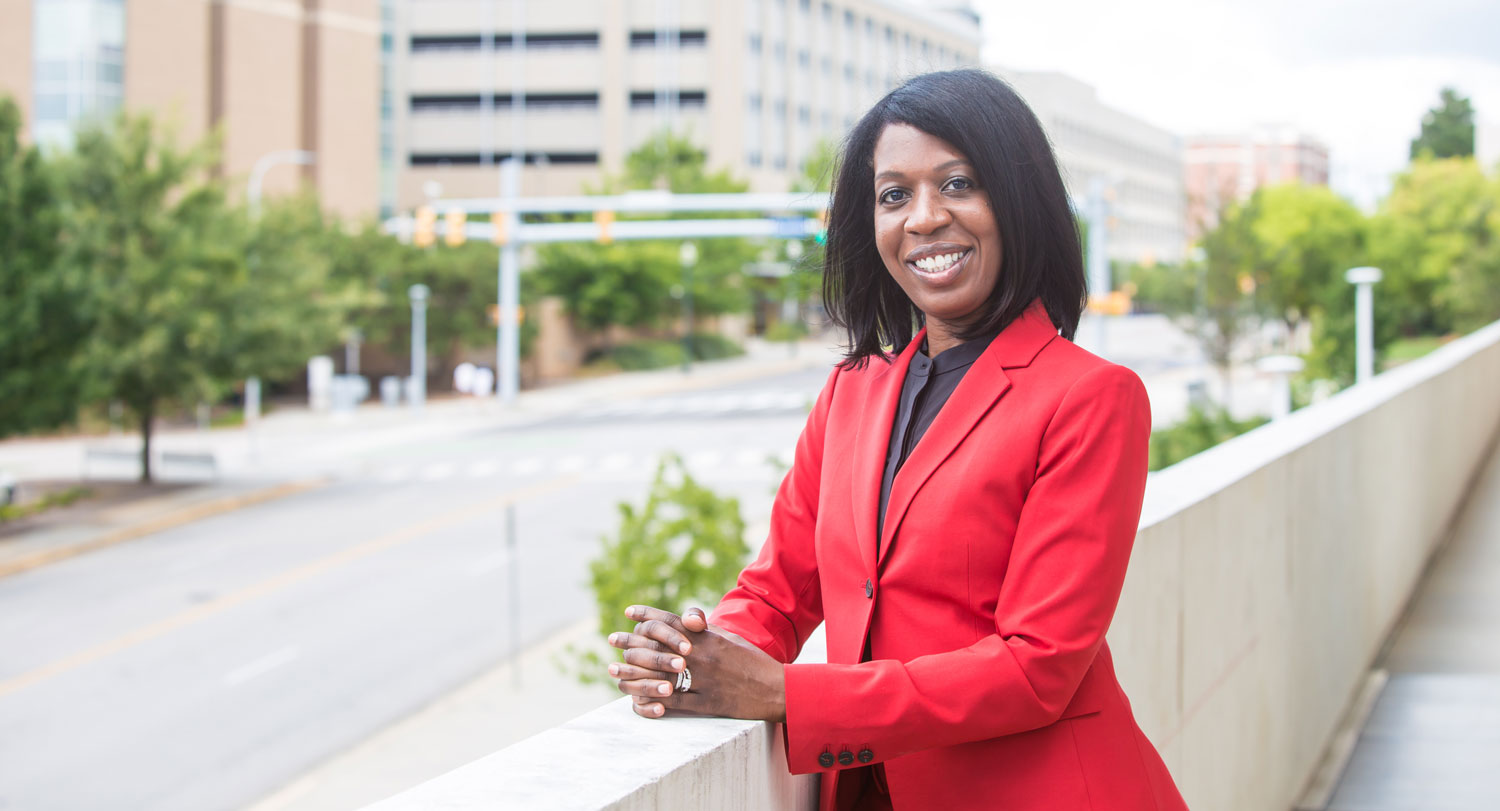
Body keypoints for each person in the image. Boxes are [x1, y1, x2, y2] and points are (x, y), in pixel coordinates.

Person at [606, 69, 1189, 811]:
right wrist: (695, 653)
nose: (923, 217)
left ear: (1017, 203)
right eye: (894, 195)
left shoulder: (1090, 396)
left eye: (957, 184)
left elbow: (1038, 666)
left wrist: (788, 693)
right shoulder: (853, 391)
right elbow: (778, 593)